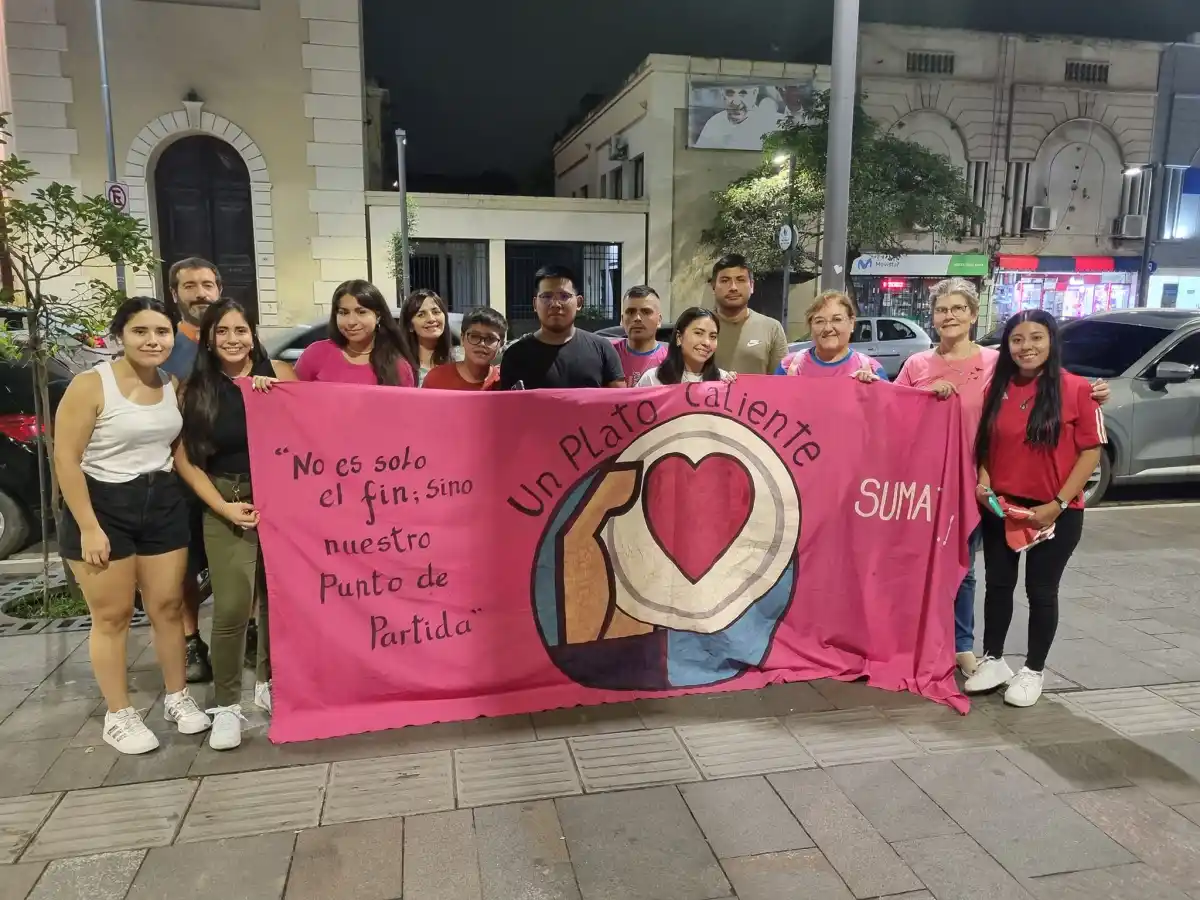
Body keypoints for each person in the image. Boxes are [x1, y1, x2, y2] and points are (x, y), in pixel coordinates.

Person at [896, 278, 1110, 677]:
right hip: (937, 486)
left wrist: (1092, 392)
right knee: (936, 568)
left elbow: (1059, 404)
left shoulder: (998, 367)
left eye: (959, 309)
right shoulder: (917, 365)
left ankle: (967, 646)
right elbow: (892, 410)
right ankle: (932, 642)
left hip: (983, 489)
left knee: (971, 571)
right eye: (942, 310)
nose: (950, 316)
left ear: (975, 315)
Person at [52, 297, 212, 755]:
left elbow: (176, 450)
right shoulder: (90, 385)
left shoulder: (170, 383)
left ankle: (177, 697)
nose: (153, 340)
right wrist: (88, 525)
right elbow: (66, 458)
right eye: (141, 331)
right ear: (121, 335)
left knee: (166, 606)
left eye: (161, 332)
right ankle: (119, 714)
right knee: (113, 615)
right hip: (104, 505)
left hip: (161, 501)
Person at [965, 310, 1104, 708]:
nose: (1027, 347)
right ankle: (993, 659)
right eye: (1018, 339)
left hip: (1054, 513)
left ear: (1052, 341)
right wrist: (985, 480)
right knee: (998, 585)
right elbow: (988, 443)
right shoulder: (999, 387)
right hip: (1002, 508)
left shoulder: (1078, 390)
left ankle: (1033, 669)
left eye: (1036, 338)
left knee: (1041, 591)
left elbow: (1091, 452)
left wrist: (1057, 504)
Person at [176, 298, 293, 750]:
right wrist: (222, 507)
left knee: (277, 601)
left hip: (280, 500)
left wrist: (279, 399)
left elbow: (313, 427)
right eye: (222, 331)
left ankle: (270, 682)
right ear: (209, 338)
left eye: (240, 330)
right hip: (225, 500)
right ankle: (227, 704)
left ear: (253, 333)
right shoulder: (195, 388)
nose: (232, 339)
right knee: (230, 606)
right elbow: (183, 460)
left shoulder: (279, 375)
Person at [162, 258, 222, 684]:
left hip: (233, 473)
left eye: (207, 285)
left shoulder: (237, 340)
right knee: (184, 568)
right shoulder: (164, 349)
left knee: (241, 560)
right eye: (190, 286)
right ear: (175, 295)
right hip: (178, 478)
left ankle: (248, 631)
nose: (200, 293)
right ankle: (191, 640)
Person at [498, 265, 625, 390]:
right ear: (535, 304)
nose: (555, 304)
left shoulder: (602, 348)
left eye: (564, 296)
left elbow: (620, 404)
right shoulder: (515, 355)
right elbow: (508, 406)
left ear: (579, 303)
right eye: (546, 296)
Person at [295, 280, 418, 386]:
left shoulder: (398, 367)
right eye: (343, 312)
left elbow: (404, 411)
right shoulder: (316, 353)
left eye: (361, 312)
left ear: (378, 316)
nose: (351, 322)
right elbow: (293, 398)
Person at [777, 291, 887, 382]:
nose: (828, 328)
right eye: (819, 321)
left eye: (837, 320)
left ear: (851, 323)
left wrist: (873, 391)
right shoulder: (788, 367)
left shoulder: (872, 369)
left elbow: (887, 407)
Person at [709, 254, 789, 375]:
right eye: (725, 281)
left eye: (740, 280)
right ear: (713, 286)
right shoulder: (698, 328)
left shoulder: (772, 328)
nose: (733, 287)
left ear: (751, 286)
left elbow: (782, 383)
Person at [637, 307, 731, 385]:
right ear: (679, 337)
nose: (707, 342)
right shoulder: (652, 379)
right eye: (698, 333)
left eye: (713, 336)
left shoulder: (723, 379)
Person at [422, 307, 506, 391]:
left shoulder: (504, 382)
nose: (481, 344)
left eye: (490, 338)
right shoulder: (436, 379)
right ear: (462, 339)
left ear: (501, 344)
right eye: (474, 336)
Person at [612, 286, 667, 386]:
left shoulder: (671, 361)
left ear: (659, 320)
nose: (637, 318)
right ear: (622, 319)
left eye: (646, 312)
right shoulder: (607, 354)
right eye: (631, 312)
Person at [403, 289, 454, 385]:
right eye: (421, 315)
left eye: (436, 312)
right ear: (410, 326)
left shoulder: (461, 359)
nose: (431, 319)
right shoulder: (399, 367)